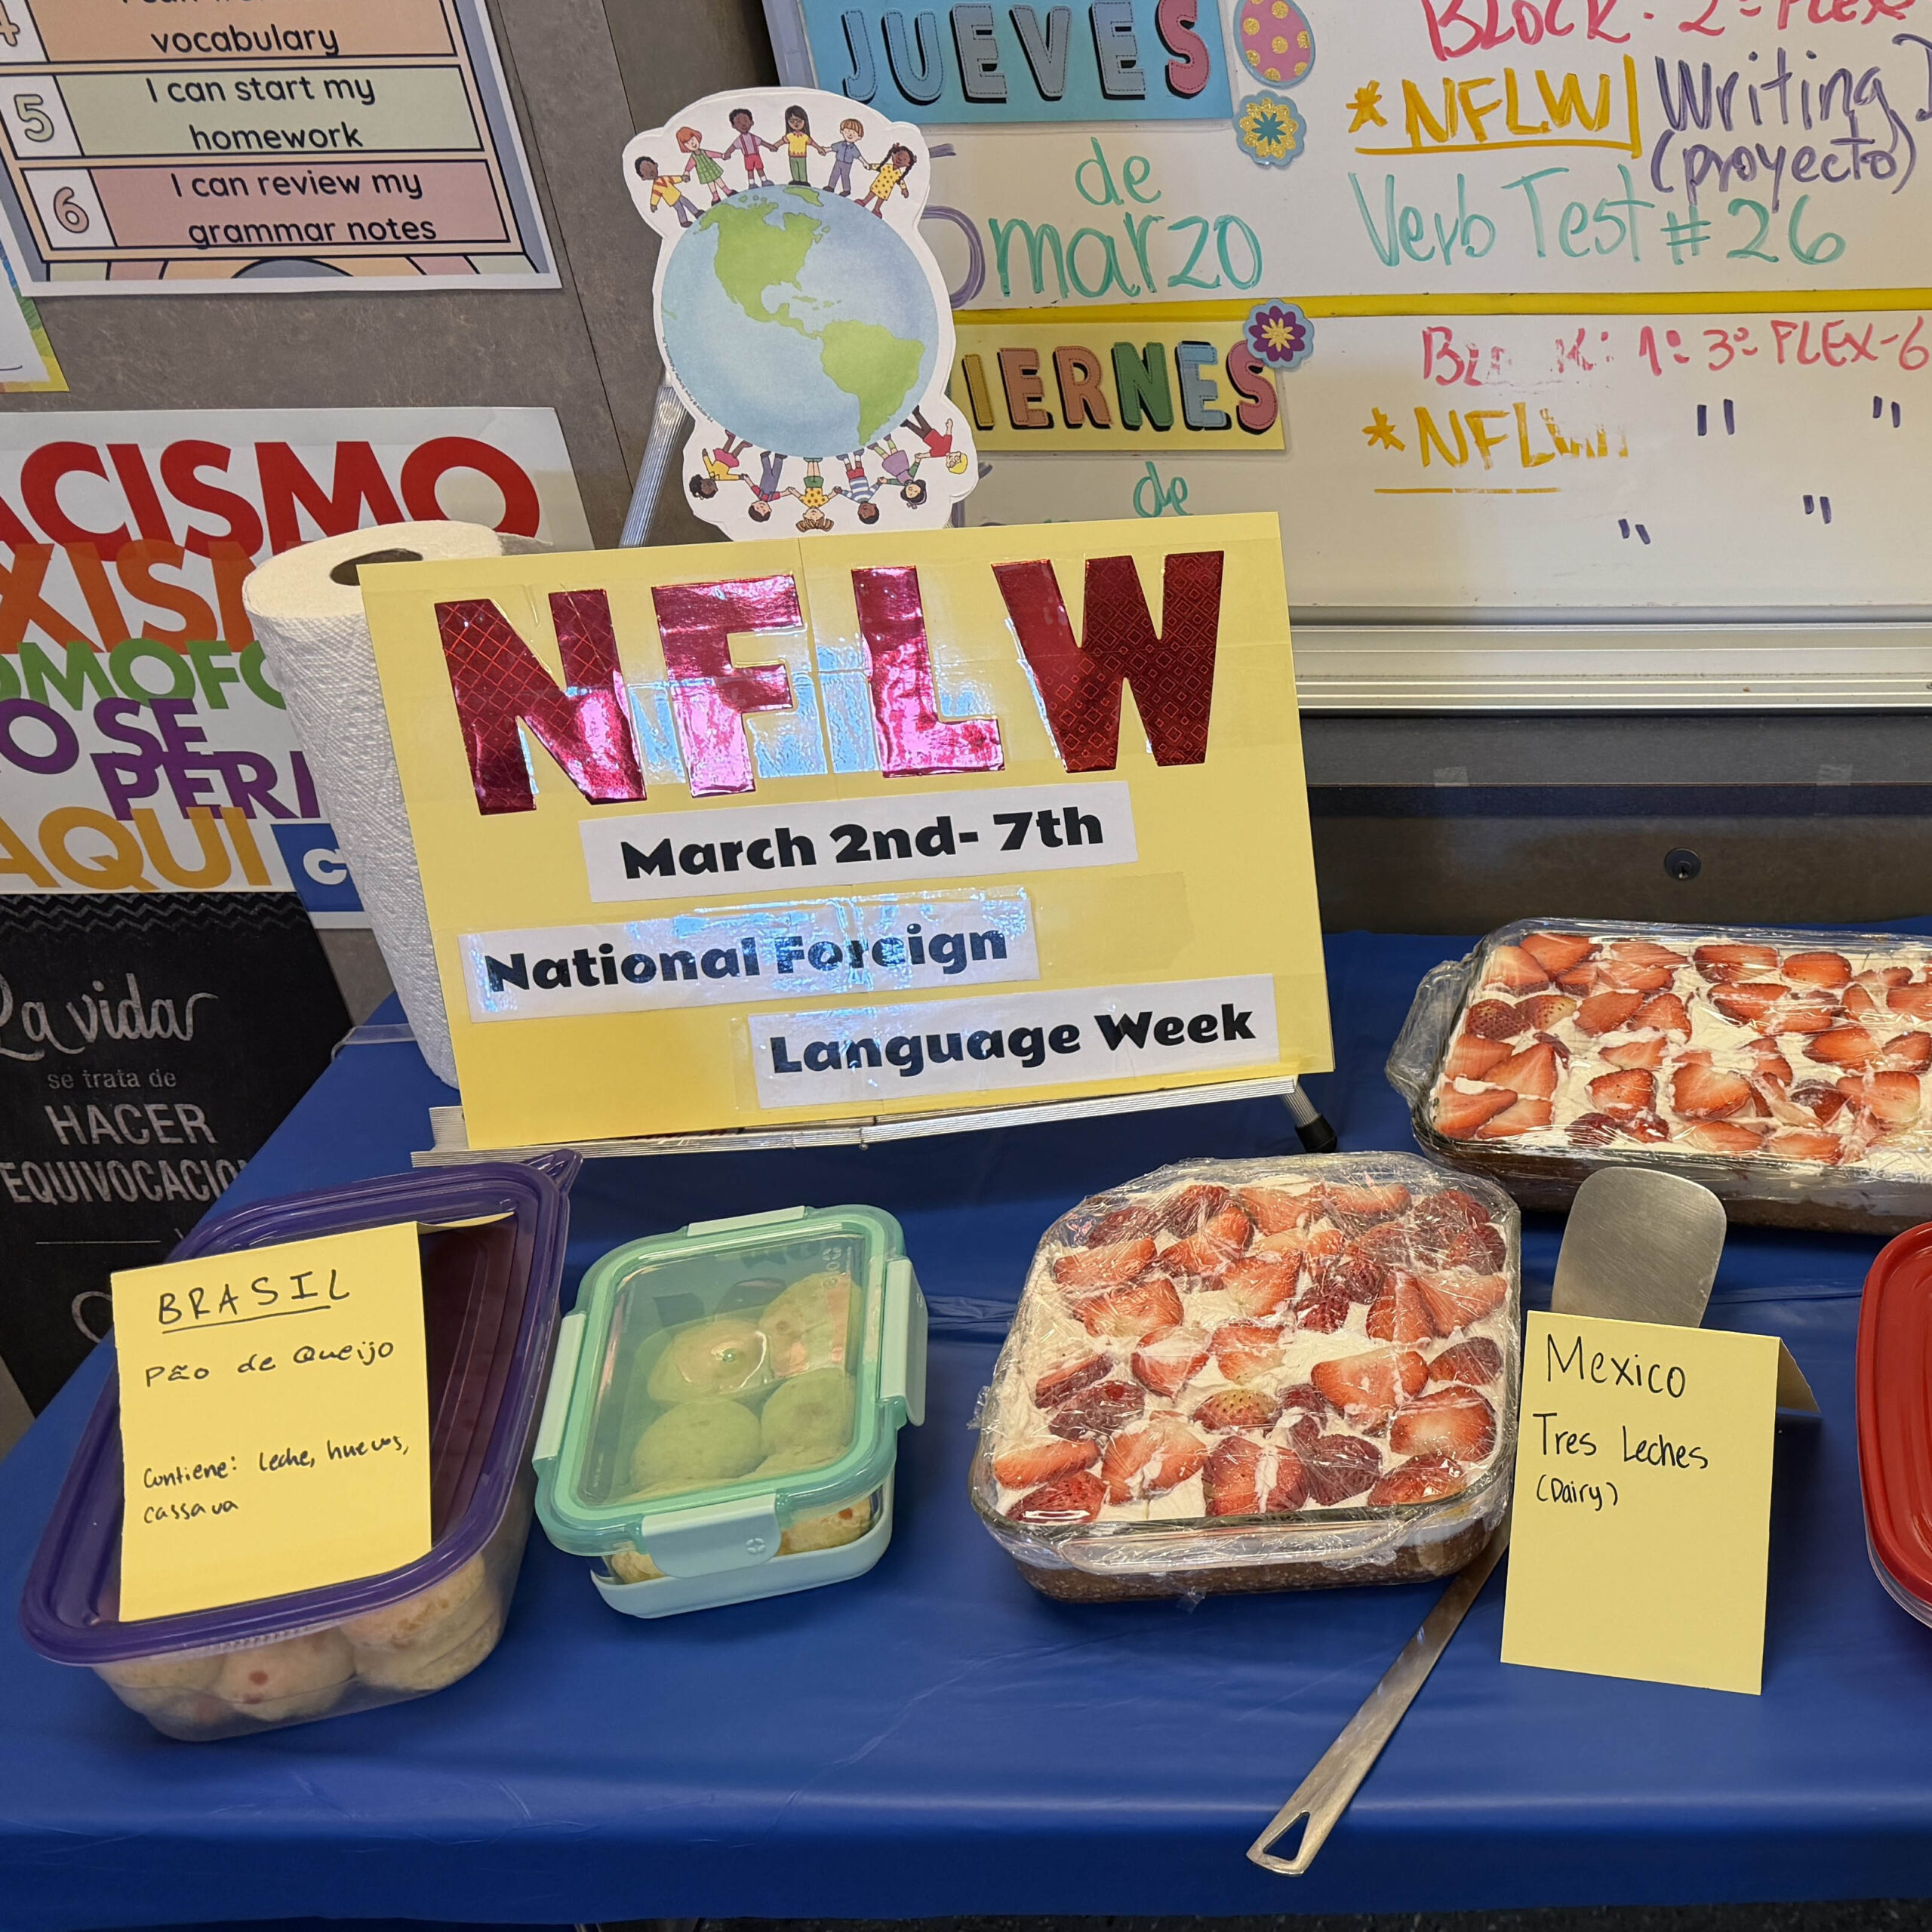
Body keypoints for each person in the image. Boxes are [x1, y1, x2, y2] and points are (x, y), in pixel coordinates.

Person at [634, 155, 694, 229]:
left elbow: (674, 179)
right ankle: (683, 221)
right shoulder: (656, 187)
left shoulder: (665, 178)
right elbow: (655, 196)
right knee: (680, 209)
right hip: (672, 200)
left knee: (687, 202)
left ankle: (696, 212)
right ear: (643, 178)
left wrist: (682, 178)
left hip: (678, 195)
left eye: (649, 166)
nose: (650, 171)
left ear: (656, 165)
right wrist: (654, 204)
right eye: (645, 171)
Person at [725, 106, 777, 188]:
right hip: (748, 157)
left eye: (745, 121)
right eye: (738, 122)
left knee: (760, 168)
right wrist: (728, 153)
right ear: (734, 126)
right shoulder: (739, 140)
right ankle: (752, 184)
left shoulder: (754, 138)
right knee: (750, 170)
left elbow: (762, 143)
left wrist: (771, 147)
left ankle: (764, 181)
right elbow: (733, 147)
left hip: (756, 156)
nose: (743, 124)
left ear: (752, 122)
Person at [676, 125, 730, 204]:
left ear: (697, 137)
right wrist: (687, 172)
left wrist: (722, 156)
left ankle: (727, 191)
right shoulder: (693, 158)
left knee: (718, 180)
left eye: (692, 139)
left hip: (712, 169)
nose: (692, 143)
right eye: (687, 143)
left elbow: (712, 154)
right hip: (704, 173)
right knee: (711, 184)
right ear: (685, 147)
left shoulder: (704, 152)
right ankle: (716, 196)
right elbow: (689, 166)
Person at [860, 143, 915, 217]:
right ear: (893, 155)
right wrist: (870, 166)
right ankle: (864, 202)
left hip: (886, 189)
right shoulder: (887, 167)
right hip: (878, 185)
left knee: (881, 199)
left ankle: (876, 209)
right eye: (899, 155)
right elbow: (878, 167)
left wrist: (904, 189)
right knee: (872, 194)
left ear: (908, 164)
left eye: (904, 159)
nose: (900, 159)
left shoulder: (898, 174)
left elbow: (901, 182)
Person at [780, 104, 824, 186]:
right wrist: (775, 146)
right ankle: (796, 180)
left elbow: (812, 142)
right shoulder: (790, 136)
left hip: (802, 156)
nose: (796, 123)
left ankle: (803, 181)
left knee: (802, 168)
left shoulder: (804, 136)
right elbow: (782, 141)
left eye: (799, 121)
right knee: (794, 169)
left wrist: (819, 148)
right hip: (792, 155)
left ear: (804, 121)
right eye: (792, 121)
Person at [825, 118, 868, 196]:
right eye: (847, 131)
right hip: (838, 162)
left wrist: (865, 163)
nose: (850, 135)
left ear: (859, 137)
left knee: (845, 176)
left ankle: (847, 190)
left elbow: (859, 156)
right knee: (834, 174)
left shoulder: (853, 148)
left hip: (847, 164)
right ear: (842, 131)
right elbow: (833, 148)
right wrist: (826, 150)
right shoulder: (841, 144)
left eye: (854, 133)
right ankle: (831, 187)